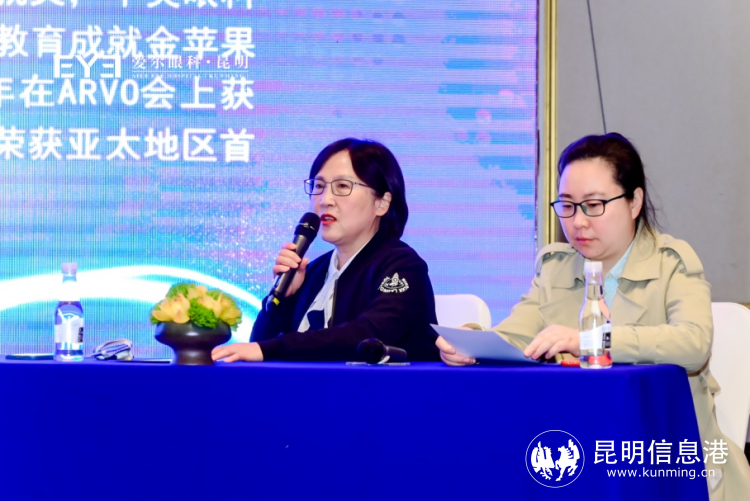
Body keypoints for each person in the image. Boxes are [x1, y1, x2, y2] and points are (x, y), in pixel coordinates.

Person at [436, 133, 750, 499]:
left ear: (634, 202)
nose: (578, 222)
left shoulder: (671, 264)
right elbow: (515, 336)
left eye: (594, 205)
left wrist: (590, 340)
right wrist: (468, 340)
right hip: (583, 454)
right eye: (568, 206)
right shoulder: (555, 268)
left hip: (668, 462)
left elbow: (693, 344)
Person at [213, 138, 439, 362]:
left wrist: (274, 349)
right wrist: (283, 300)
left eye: (342, 186)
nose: (325, 200)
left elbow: (368, 335)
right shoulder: (311, 272)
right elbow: (259, 348)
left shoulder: (403, 266)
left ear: (382, 203)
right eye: (319, 186)